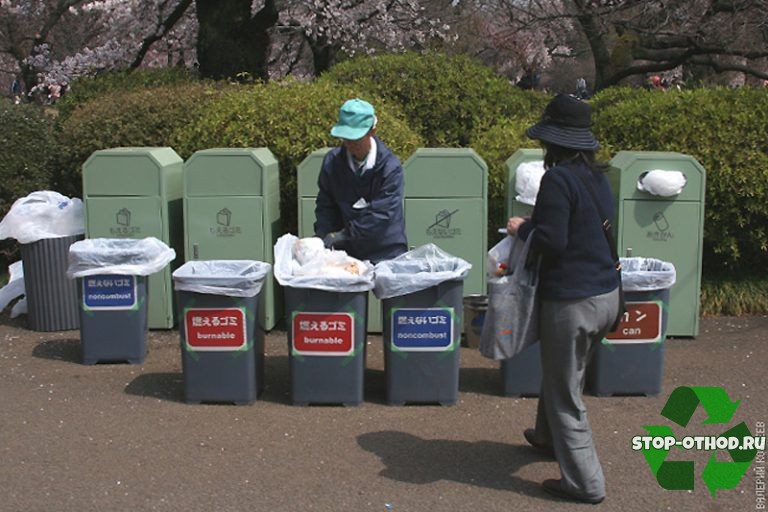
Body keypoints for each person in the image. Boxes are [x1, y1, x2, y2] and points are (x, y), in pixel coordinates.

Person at [506, 94, 619, 504]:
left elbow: (553, 241)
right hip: (606, 295)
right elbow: (577, 225)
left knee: (564, 394)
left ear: (553, 140)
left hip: (573, 302)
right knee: (564, 374)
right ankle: (544, 437)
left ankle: (585, 484)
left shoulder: (556, 179)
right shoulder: (595, 176)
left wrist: (523, 229)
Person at [314, 98, 408, 263]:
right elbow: (325, 205)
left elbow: (382, 214)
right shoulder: (332, 162)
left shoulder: (390, 167)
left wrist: (342, 235)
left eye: (355, 138)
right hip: (346, 251)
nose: (349, 143)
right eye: (345, 137)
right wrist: (324, 235)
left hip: (386, 249)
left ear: (372, 131)